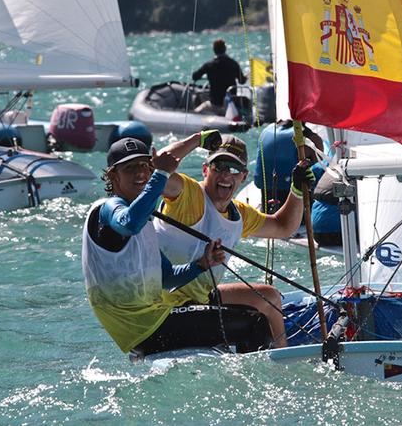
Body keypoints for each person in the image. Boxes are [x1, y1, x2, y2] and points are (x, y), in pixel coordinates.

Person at [83, 137, 273, 357]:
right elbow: (128, 223)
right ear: (113, 176)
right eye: (130, 168)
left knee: (246, 314)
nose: (140, 173)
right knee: (255, 323)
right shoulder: (107, 209)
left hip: (153, 324)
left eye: (145, 166)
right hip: (149, 328)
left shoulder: (146, 224)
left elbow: (167, 278)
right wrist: (162, 173)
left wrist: (202, 264)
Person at [156, 132, 315, 349]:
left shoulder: (240, 213)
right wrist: (195, 140)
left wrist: (297, 190)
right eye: (218, 166)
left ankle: (284, 360)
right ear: (205, 170)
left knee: (269, 297)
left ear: (243, 176)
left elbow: (283, 226)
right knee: (254, 324)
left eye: (233, 169)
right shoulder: (186, 194)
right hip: (163, 308)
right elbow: (156, 169)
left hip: (201, 300)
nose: (225, 176)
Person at [191, 39, 246, 114]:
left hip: (215, 104)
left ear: (214, 50)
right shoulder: (233, 63)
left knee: (195, 112)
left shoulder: (209, 65)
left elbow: (195, 76)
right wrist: (245, 77)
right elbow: (242, 81)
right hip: (231, 105)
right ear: (225, 49)